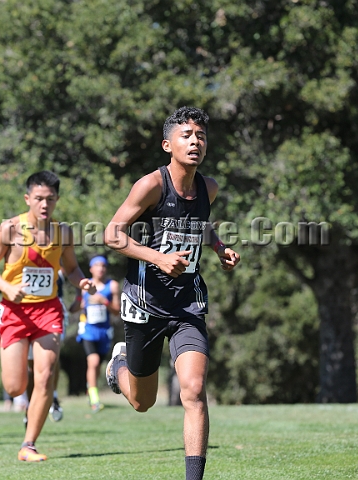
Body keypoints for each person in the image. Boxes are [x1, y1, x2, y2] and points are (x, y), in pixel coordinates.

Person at [103, 107, 240, 480]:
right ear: (168, 144)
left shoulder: (208, 188)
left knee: (193, 390)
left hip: (188, 304)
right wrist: (157, 258)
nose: (195, 141)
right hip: (145, 302)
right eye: (186, 135)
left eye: (201, 135)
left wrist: (218, 247)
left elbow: (201, 225)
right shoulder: (151, 185)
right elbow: (112, 234)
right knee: (141, 402)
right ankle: (118, 368)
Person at [0, 171, 96, 462]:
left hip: (48, 310)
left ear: (57, 200)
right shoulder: (9, 229)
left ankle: (28, 445)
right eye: (39, 199)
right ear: (28, 198)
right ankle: (29, 411)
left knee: (44, 377)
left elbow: (71, 269)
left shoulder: (63, 232)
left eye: (51, 199)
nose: (45, 204)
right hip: (14, 312)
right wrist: (7, 287)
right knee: (15, 386)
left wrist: (81, 283)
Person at [70, 255, 120, 412]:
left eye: (103, 265)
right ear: (91, 269)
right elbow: (73, 308)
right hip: (88, 330)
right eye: (97, 265)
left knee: (98, 365)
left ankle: (91, 388)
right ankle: (94, 399)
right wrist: (81, 303)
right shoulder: (83, 285)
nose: (101, 268)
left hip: (104, 331)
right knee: (94, 362)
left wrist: (103, 301)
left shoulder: (112, 286)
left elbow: (117, 311)